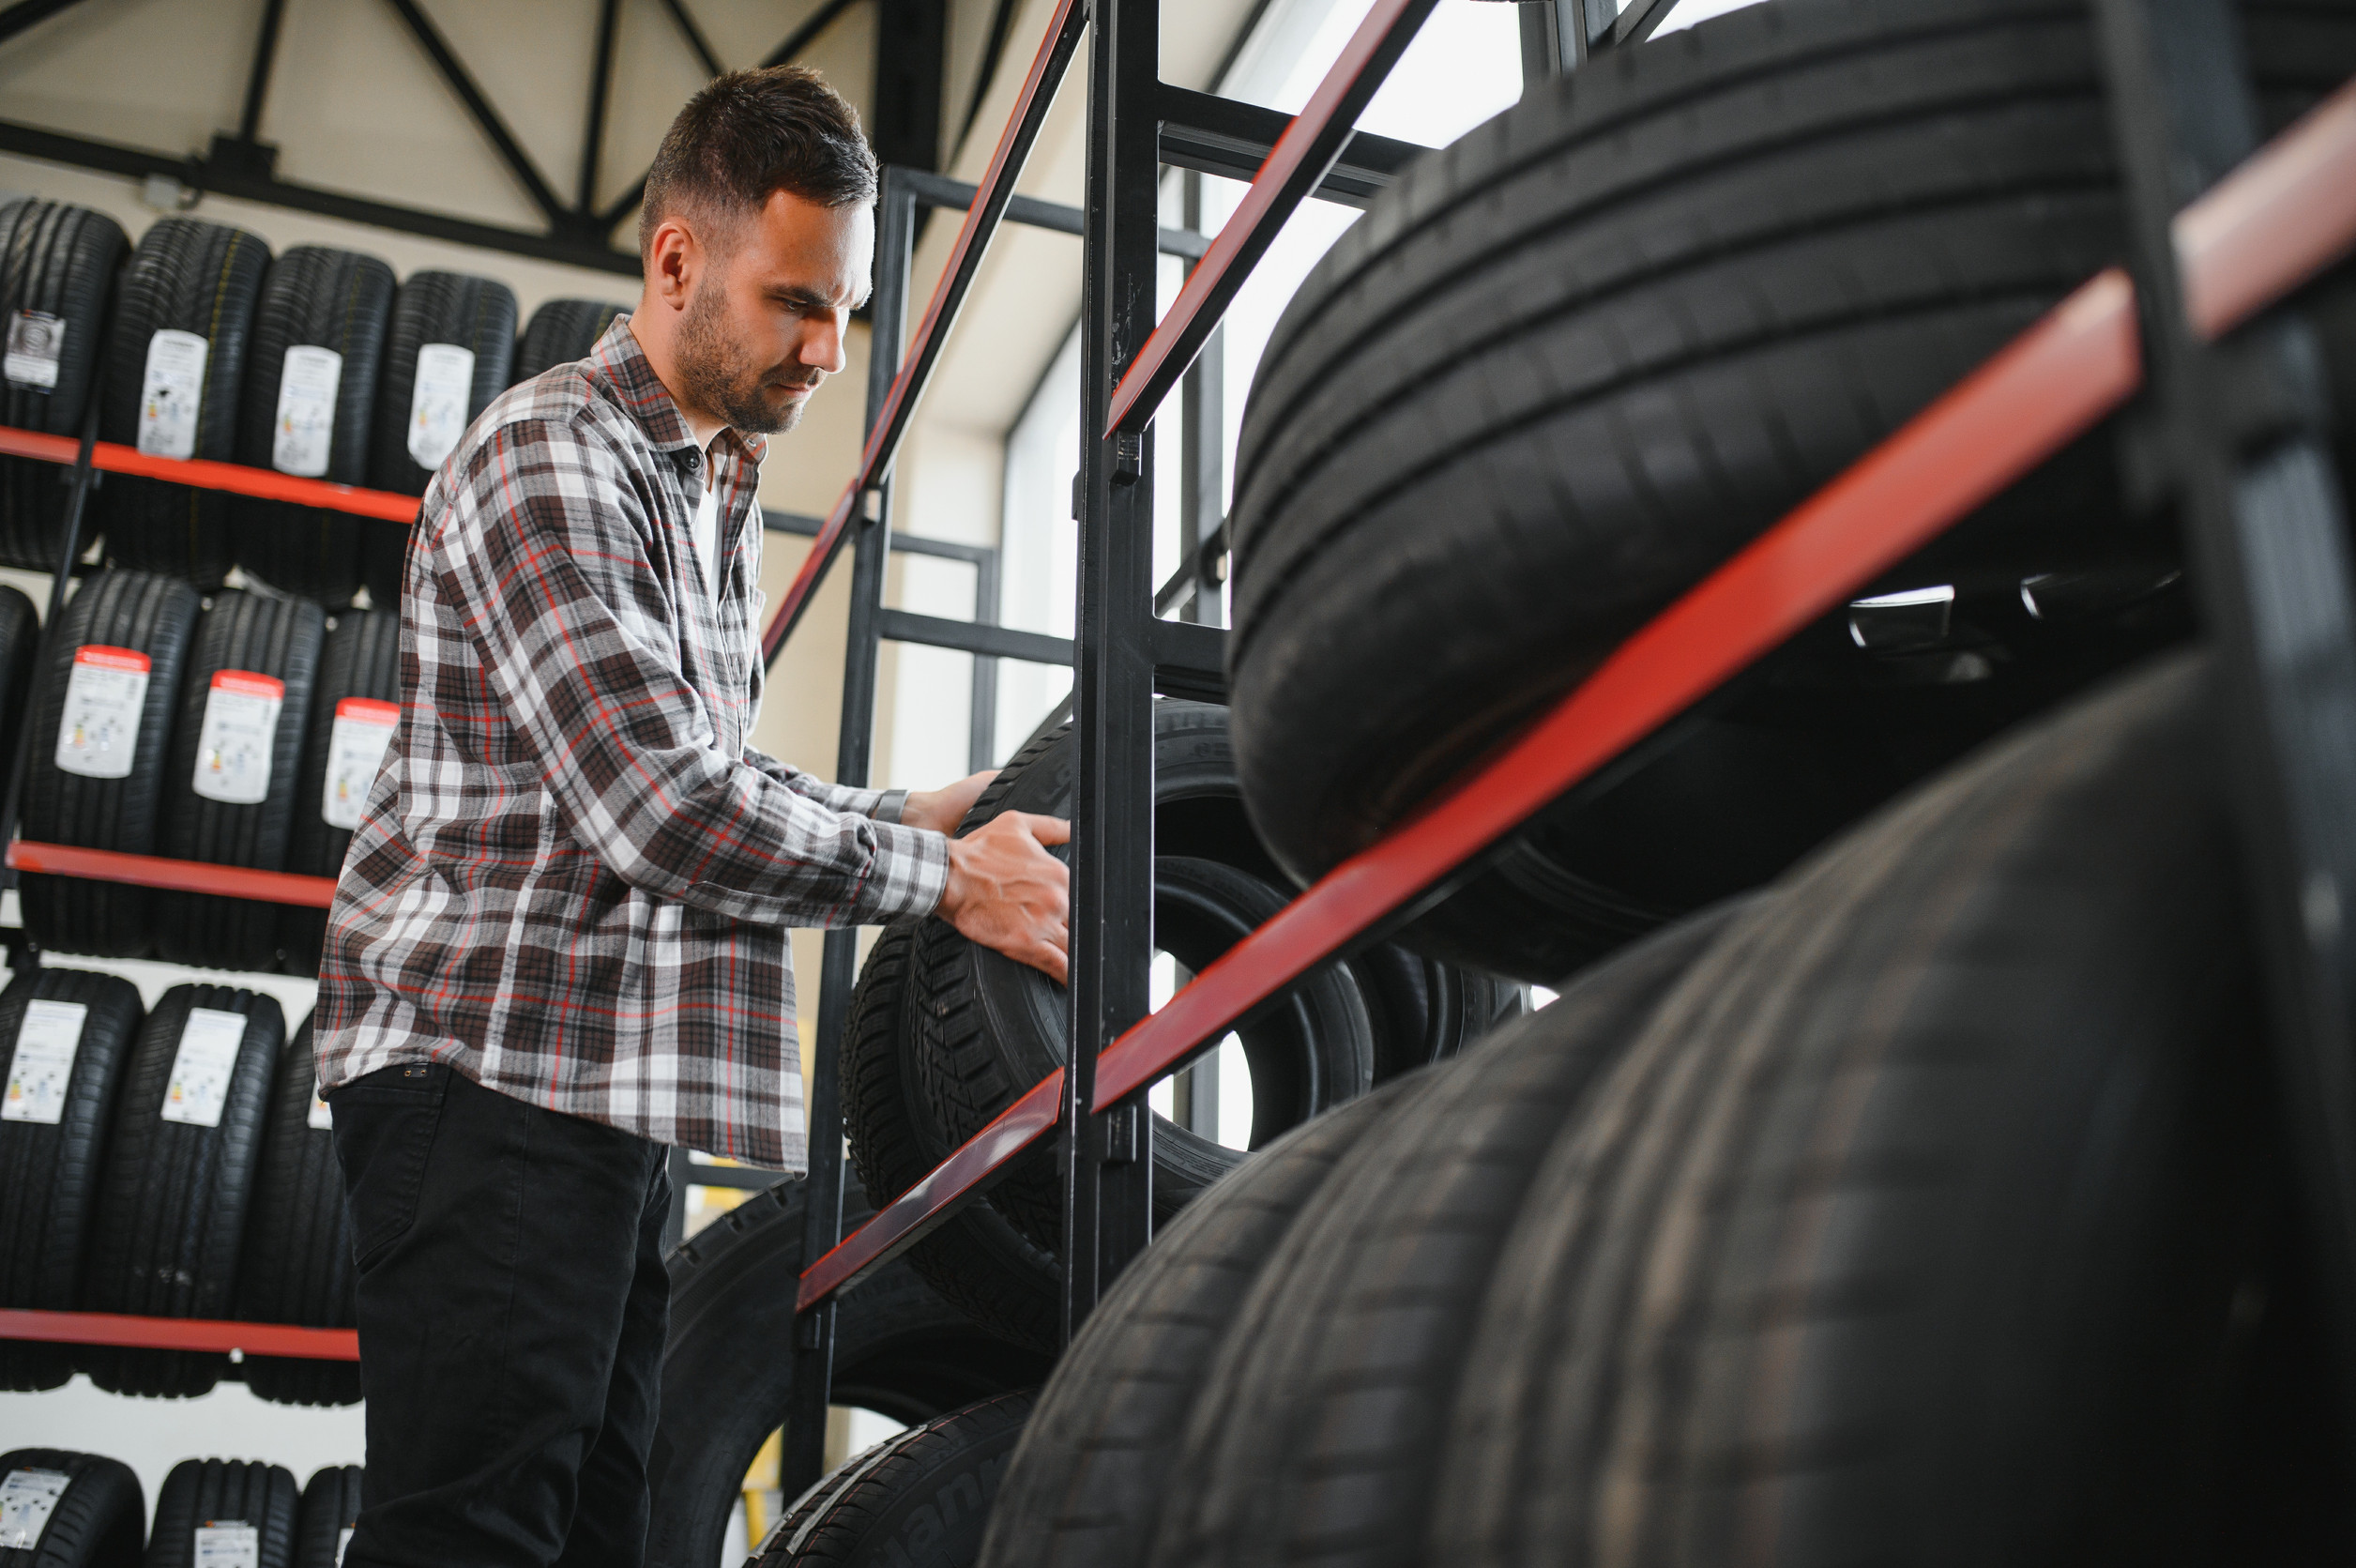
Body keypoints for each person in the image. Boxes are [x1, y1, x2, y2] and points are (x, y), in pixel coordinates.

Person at [313, 66, 1070, 1568]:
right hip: (494, 1085)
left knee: (601, 1540)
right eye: (798, 300)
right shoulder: (555, 461)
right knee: (473, 1539)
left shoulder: (706, 483)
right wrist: (941, 879)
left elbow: (714, 772)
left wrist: (906, 808)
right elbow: (660, 814)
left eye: (845, 309)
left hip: (607, 1105)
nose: (829, 350)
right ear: (676, 262)